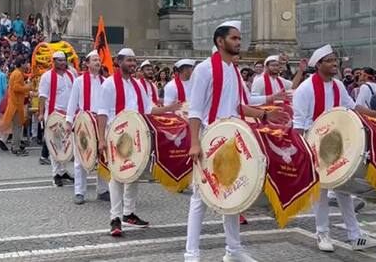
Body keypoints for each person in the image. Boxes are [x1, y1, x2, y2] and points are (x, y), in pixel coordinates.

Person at [184, 21, 288, 262]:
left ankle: (233, 251)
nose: (239, 42)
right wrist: (194, 143)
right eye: (234, 38)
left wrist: (263, 114)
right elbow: (196, 111)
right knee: (200, 197)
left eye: (240, 38)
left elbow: (237, 106)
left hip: (233, 137)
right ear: (220, 41)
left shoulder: (232, 71)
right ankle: (191, 254)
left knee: (234, 194)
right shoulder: (205, 69)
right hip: (209, 138)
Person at [293, 45, 376, 252]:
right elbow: (298, 125)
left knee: (344, 190)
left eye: (336, 60)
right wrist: (304, 153)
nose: (335, 64)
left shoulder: (338, 86)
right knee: (321, 193)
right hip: (314, 145)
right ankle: (322, 234)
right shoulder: (305, 89)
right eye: (331, 61)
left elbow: (353, 108)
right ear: (319, 65)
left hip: (338, 144)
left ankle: (356, 236)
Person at [97, 48, 181, 237]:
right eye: (129, 60)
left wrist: (170, 108)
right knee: (117, 177)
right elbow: (102, 113)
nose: (133, 64)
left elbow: (149, 109)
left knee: (134, 174)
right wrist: (101, 139)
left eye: (134, 61)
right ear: (118, 62)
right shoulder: (109, 84)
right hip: (116, 137)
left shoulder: (138, 85)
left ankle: (129, 213)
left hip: (136, 136)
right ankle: (115, 218)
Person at [65, 50, 109, 204]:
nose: (98, 62)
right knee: (81, 157)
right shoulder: (79, 81)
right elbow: (72, 102)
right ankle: (79, 191)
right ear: (87, 63)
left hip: (101, 123)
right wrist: (69, 121)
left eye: (99, 60)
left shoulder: (105, 81)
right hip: (84, 122)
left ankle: (103, 190)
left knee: (103, 156)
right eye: (94, 60)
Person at [38, 51, 75, 186]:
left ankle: (63, 171)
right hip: (54, 115)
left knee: (66, 144)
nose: (62, 63)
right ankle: (55, 174)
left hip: (69, 115)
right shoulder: (46, 77)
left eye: (64, 60)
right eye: (59, 60)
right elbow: (42, 96)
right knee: (54, 144)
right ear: (53, 61)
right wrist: (41, 113)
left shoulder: (71, 74)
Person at [3, 57, 32, 156]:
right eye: (26, 63)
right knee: (17, 127)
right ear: (22, 64)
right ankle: (16, 147)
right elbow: (16, 88)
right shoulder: (18, 74)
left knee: (17, 127)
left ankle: (15, 145)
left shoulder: (16, 73)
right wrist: (28, 87)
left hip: (15, 103)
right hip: (16, 104)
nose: (27, 65)